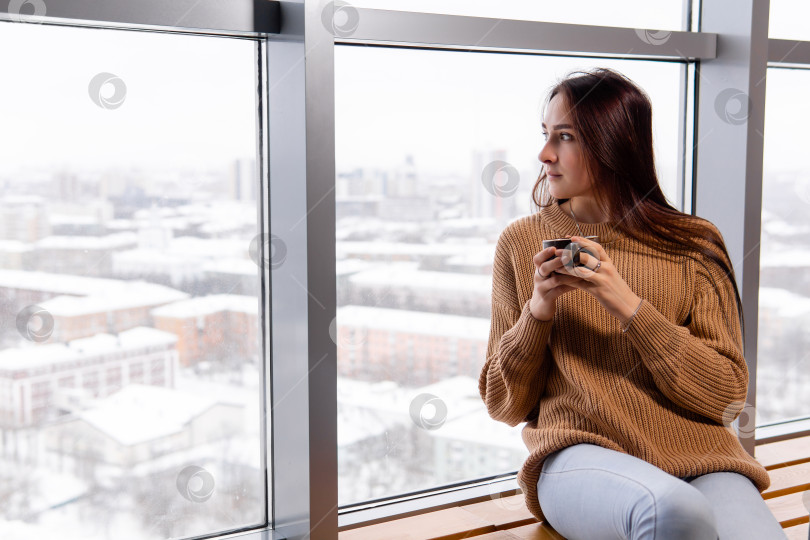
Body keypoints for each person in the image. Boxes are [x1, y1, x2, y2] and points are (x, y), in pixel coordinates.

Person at [478, 68, 787, 540]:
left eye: (564, 137)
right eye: (545, 135)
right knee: (676, 512)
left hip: (698, 453)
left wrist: (628, 307)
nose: (544, 154)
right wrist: (537, 312)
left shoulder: (694, 243)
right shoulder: (521, 244)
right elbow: (504, 403)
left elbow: (726, 396)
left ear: (611, 144)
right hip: (578, 455)